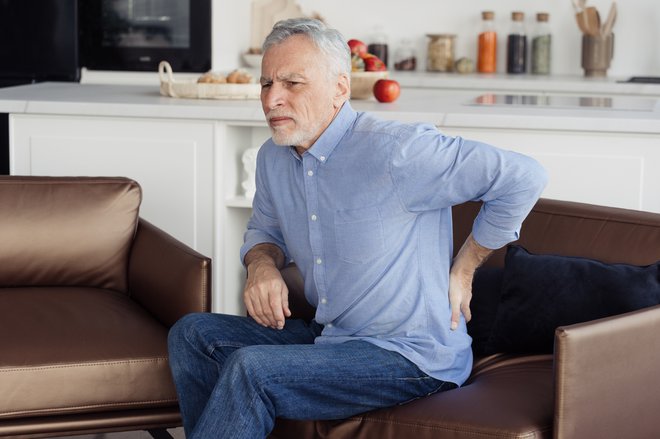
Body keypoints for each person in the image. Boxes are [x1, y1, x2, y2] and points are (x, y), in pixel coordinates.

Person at [168, 18, 547, 439]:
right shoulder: (273, 159)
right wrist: (261, 265)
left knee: (251, 369)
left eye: (292, 83)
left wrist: (466, 264)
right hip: (330, 337)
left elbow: (523, 176)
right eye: (265, 84)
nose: (272, 99)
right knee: (192, 334)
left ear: (340, 89)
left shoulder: (399, 150)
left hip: (409, 354)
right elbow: (265, 231)